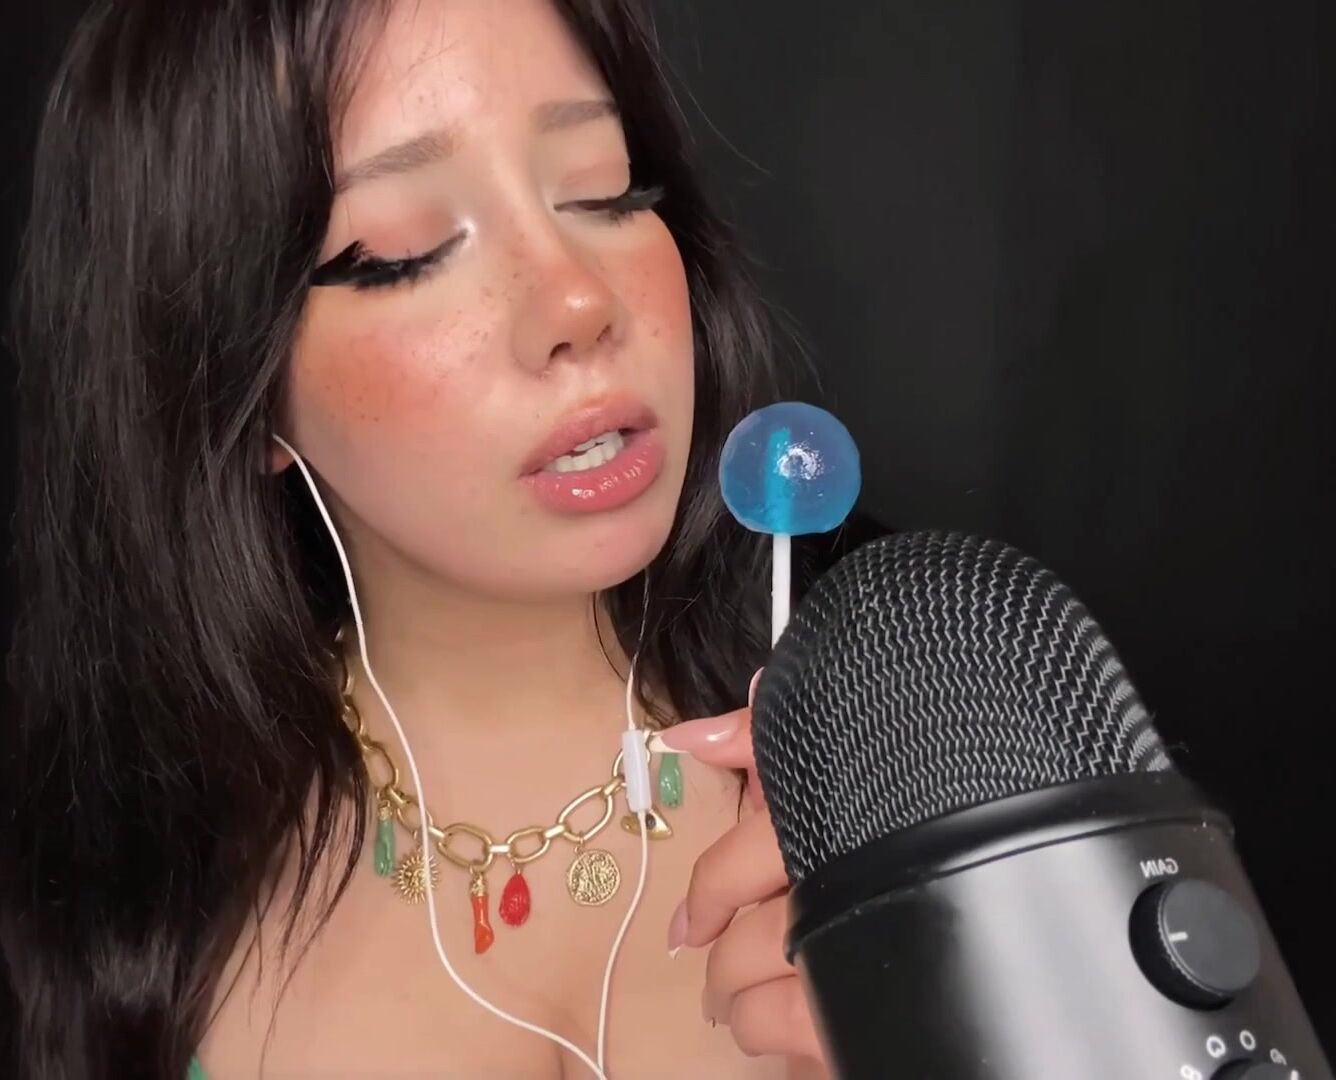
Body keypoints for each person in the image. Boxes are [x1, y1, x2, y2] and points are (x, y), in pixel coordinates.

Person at [2, 0, 834, 1076]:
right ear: (235, 386)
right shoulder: (110, 888)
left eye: (602, 189)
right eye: (404, 253)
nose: (576, 299)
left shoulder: (943, 727)